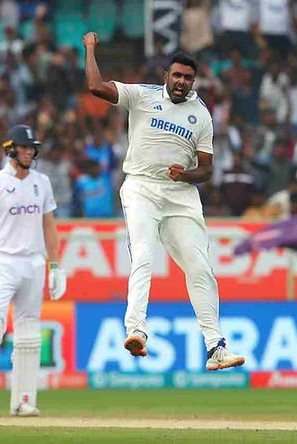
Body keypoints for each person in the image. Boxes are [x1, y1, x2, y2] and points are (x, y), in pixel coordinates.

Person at [82, 31, 245, 371]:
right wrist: (90, 49)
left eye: (188, 77)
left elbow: (206, 170)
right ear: (166, 76)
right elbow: (96, 87)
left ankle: (215, 347)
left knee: (200, 266)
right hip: (141, 187)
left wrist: (184, 176)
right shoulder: (142, 96)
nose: (181, 82)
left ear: (194, 81)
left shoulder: (201, 115)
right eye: (177, 75)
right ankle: (137, 331)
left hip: (180, 194)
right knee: (143, 256)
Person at [0, 124, 67, 417]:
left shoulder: (41, 182)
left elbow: (49, 226)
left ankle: (24, 400)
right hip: (1, 262)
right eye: (24, 147)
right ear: (11, 149)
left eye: (32, 147)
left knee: (29, 332)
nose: (30, 151)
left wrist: (54, 265)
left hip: (33, 263)